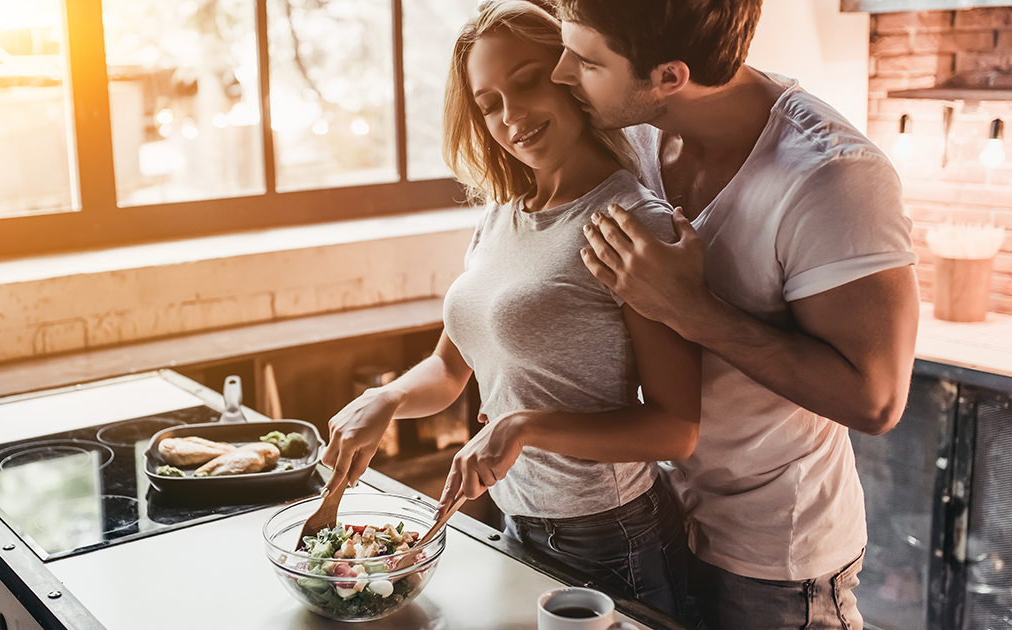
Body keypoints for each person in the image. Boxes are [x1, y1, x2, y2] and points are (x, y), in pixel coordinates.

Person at [318, 0, 703, 620]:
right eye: (489, 102)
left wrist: (521, 425)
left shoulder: (629, 223)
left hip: (610, 536)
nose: (511, 116)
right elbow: (449, 369)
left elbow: (676, 429)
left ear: (572, 73)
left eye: (527, 82)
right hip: (519, 518)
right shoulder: (502, 213)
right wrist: (386, 399)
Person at [549, 1, 920, 628]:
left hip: (777, 555)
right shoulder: (632, 129)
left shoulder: (833, 177)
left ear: (670, 77)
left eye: (586, 61)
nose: (561, 72)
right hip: (659, 519)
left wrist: (694, 312)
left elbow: (876, 399)